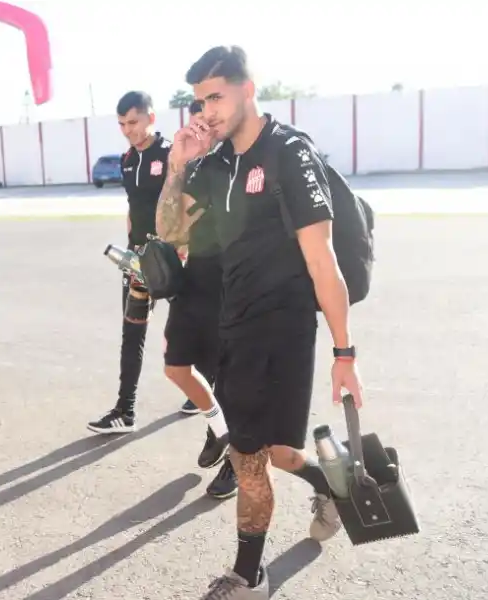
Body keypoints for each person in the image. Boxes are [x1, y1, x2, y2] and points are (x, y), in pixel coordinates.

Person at [156, 46, 366, 599]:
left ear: (249, 90)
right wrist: (177, 167)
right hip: (234, 324)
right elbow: (172, 232)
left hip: (282, 328)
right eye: (200, 101)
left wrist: (345, 355)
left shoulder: (288, 153)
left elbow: (324, 260)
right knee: (270, 451)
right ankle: (330, 486)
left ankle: (248, 575)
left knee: (247, 455)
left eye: (217, 97)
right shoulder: (215, 162)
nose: (208, 111)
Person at [159, 100, 237, 499]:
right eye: (196, 123)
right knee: (177, 367)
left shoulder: (237, 161)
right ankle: (219, 428)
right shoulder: (197, 168)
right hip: (197, 280)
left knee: (229, 379)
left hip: (235, 284)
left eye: (209, 122)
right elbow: (171, 233)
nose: (201, 129)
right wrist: (176, 163)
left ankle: (235, 460)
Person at [87, 91, 172, 435]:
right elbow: (132, 209)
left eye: (133, 122)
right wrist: (131, 250)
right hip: (138, 262)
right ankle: (126, 410)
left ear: (151, 117)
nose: (127, 130)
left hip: (174, 259)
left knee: (190, 336)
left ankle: (207, 402)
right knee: (132, 332)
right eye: (122, 124)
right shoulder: (126, 160)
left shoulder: (170, 155)